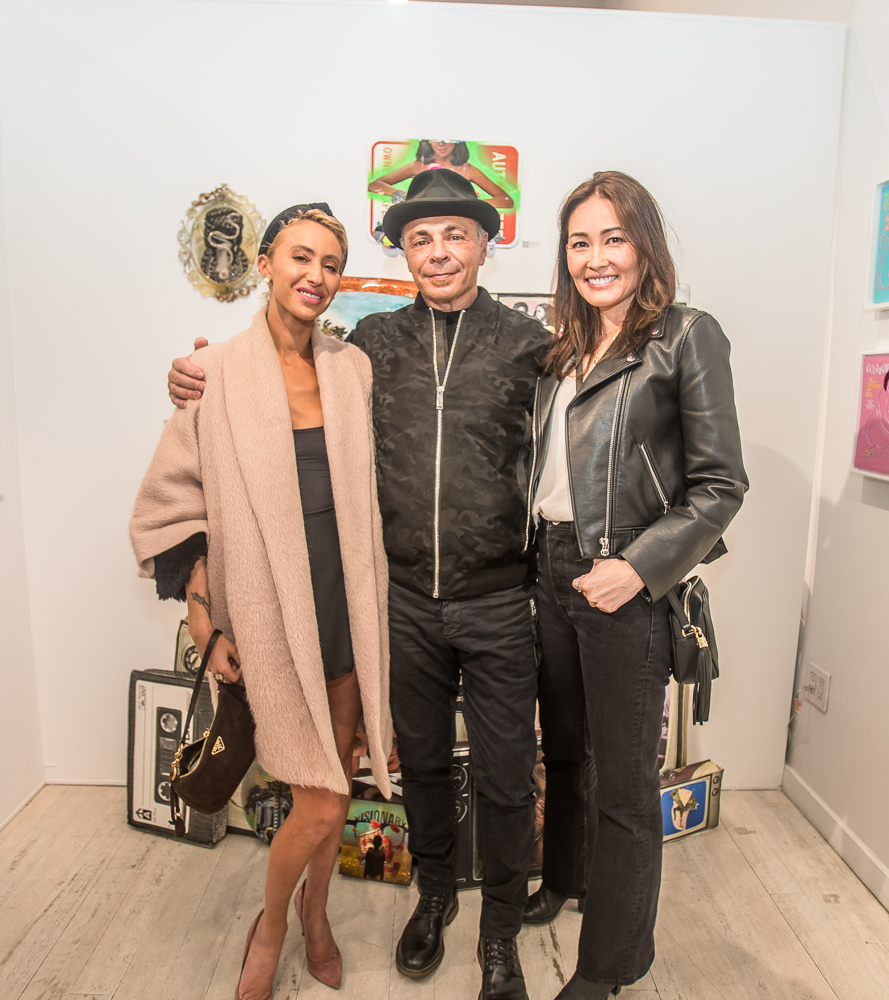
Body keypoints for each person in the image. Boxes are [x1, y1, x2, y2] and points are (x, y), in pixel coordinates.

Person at [169, 170, 550, 1000]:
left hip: (497, 599)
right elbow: (272, 380)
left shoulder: (531, 347)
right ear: (404, 251)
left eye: (455, 235)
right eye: (421, 238)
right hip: (398, 601)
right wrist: (194, 377)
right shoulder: (372, 345)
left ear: (486, 245)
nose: (438, 251)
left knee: (506, 775)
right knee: (421, 766)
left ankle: (499, 938)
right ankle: (435, 897)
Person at [131, 204, 394, 1000]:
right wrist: (205, 621)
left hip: (346, 600)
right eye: (300, 256)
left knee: (334, 788)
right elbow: (175, 505)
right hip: (268, 607)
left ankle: (318, 913)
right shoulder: (214, 372)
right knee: (317, 800)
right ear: (267, 263)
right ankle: (274, 924)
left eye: (331, 263)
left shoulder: (352, 369)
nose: (316, 275)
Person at [525, 171, 747, 998]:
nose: (596, 258)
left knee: (623, 787)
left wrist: (638, 569)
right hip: (549, 569)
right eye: (579, 242)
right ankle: (565, 879)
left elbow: (720, 486)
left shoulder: (685, 336)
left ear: (644, 245)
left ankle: (608, 967)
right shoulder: (559, 351)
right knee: (564, 751)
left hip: (624, 578)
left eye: (613, 238)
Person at [369, 139, 515, 210]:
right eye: (436, 140)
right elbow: (374, 185)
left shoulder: (467, 170)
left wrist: (468, 203)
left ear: (457, 142)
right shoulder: (418, 166)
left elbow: (506, 201)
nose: (441, 144)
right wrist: (410, 195)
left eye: (447, 140)